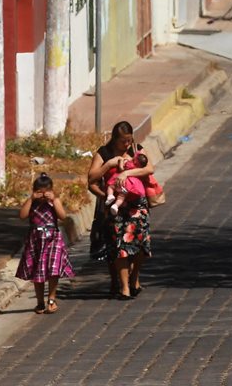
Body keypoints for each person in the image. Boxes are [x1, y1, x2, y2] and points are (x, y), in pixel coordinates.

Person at [87, 121, 155, 300]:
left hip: (137, 205)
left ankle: (134, 277)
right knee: (120, 246)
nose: (126, 144)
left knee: (141, 245)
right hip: (116, 208)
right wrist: (109, 165)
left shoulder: (136, 149)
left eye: (128, 140)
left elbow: (149, 169)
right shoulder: (104, 153)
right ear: (115, 139)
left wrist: (127, 173)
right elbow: (92, 179)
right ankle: (124, 286)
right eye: (122, 141)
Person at [15, 173, 75, 314]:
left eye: (46, 192)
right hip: (36, 239)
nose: (42, 195)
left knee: (53, 269)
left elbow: (63, 216)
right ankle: (40, 301)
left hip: (52, 238)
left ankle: (52, 299)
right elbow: (22, 216)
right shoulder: (32, 203)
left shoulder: (54, 201)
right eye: (39, 192)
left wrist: (54, 201)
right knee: (38, 271)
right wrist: (31, 199)